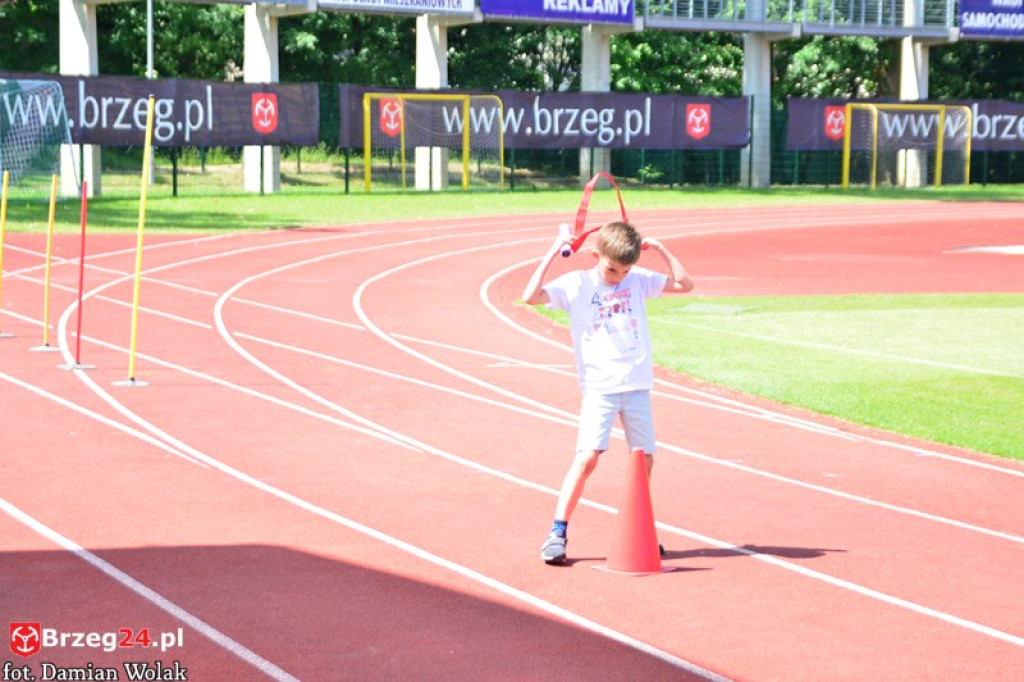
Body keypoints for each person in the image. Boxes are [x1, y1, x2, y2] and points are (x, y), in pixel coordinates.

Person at [521, 220, 693, 565]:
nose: (617, 276)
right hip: (600, 387)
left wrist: (658, 248)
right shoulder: (577, 284)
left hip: (637, 386)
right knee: (587, 459)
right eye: (612, 268)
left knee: (643, 459)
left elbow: (684, 284)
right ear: (595, 254)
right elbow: (529, 297)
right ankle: (557, 531)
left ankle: (637, 528)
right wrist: (554, 251)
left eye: (624, 270)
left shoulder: (637, 280)